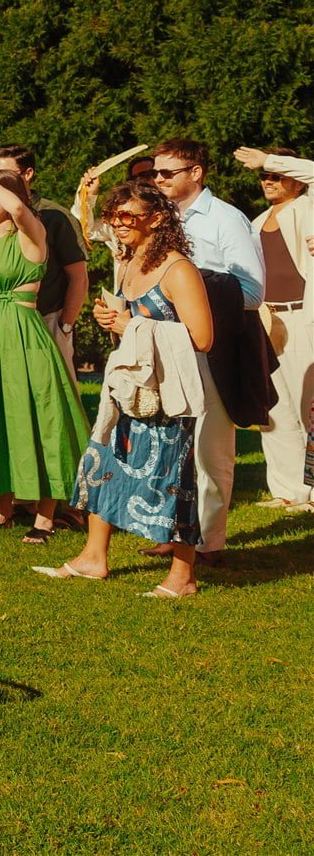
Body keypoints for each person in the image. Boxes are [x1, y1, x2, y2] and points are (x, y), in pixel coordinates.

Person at [40, 181, 212, 597]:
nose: (117, 224)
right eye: (112, 216)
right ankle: (92, 557)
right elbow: (135, 323)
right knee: (104, 462)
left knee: (173, 478)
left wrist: (132, 326)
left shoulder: (178, 270)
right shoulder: (130, 261)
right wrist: (112, 319)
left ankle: (183, 576)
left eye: (126, 216)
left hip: (167, 393)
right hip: (130, 387)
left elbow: (203, 337)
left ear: (156, 219)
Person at [0, 173, 88, 544]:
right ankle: (1, 511)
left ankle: (45, 517)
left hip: (23, 334)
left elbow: (16, 208)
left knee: (39, 417)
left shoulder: (31, 233)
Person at [149, 138, 260, 560]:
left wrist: (190, 290)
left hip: (213, 345)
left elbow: (253, 293)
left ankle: (209, 542)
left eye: (167, 172)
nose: (158, 179)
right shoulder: (160, 218)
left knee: (211, 449)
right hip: (166, 342)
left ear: (196, 173)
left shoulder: (225, 219)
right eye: (155, 172)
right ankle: (173, 532)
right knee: (169, 445)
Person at [233, 145, 314, 507]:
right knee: (274, 408)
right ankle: (287, 491)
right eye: (264, 176)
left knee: (309, 406)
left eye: (276, 175)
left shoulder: (308, 207)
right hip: (267, 319)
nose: (268, 180)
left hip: (304, 317)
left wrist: (267, 159)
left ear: (295, 178)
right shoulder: (255, 221)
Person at [0, 145, 88, 373]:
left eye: (6, 175)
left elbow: (79, 277)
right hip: (3, 322)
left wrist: (64, 326)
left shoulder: (55, 216)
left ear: (28, 174)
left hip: (46, 320)